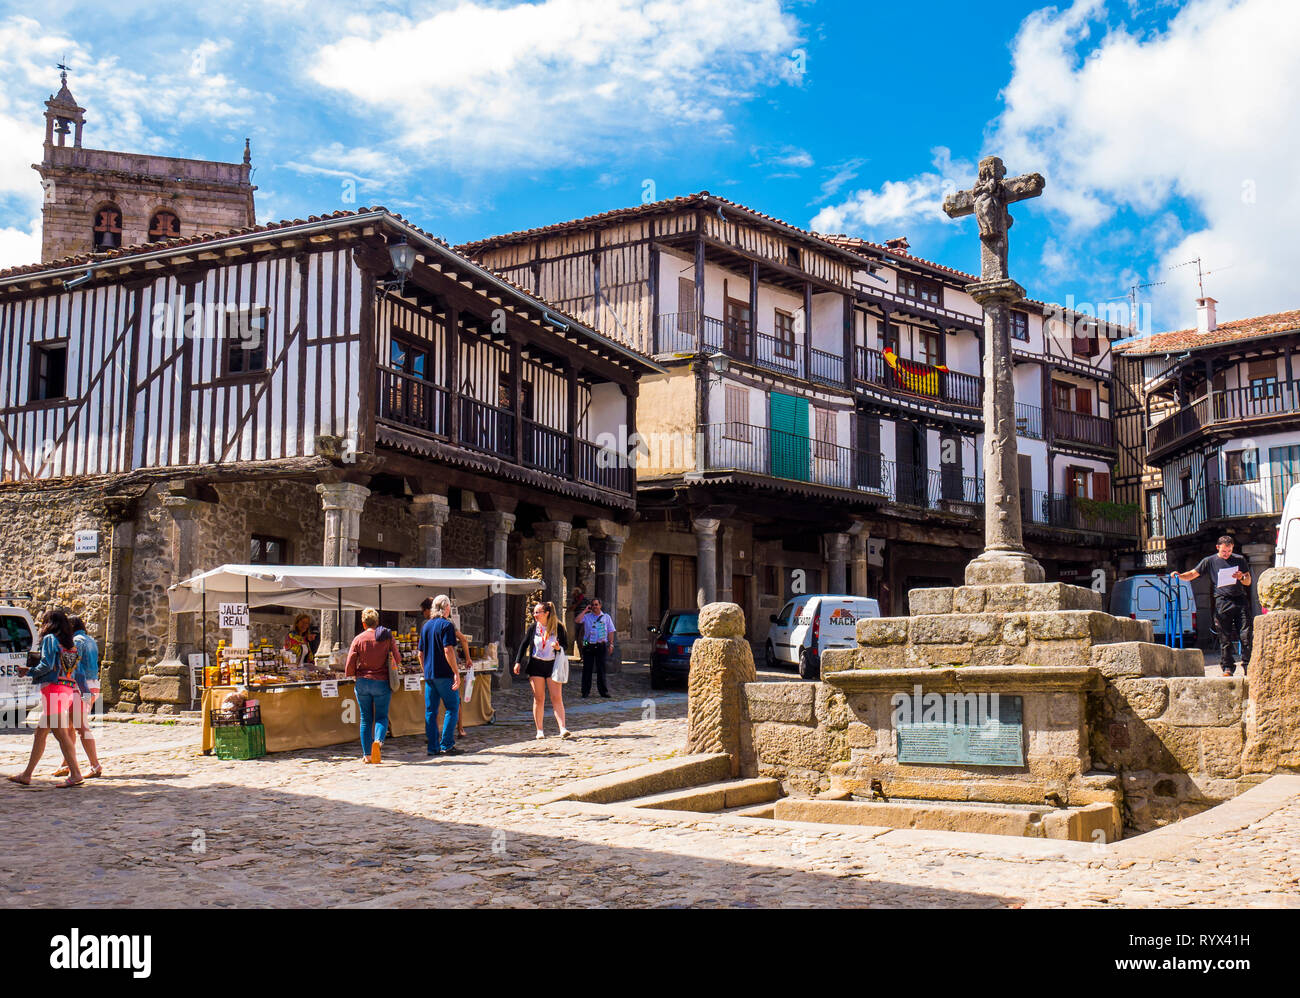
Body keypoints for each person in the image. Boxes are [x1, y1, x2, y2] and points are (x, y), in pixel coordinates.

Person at [6, 609, 86, 788]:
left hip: (53, 689)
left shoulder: (50, 640)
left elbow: (47, 665)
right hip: (66, 689)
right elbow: (73, 670)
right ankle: (26, 774)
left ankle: (75, 773)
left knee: (60, 733)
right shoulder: (70, 645)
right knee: (40, 733)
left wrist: (29, 671)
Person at [1173, 535, 1253, 676]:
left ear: (1232, 548)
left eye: (1229, 551)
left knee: (1245, 635)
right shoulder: (1209, 561)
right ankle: (1227, 667)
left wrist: (1241, 577)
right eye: (1224, 551)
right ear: (1218, 548)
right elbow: (1192, 574)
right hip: (1222, 601)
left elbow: (1248, 581)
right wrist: (1179, 576)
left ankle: (1249, 666)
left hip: (1240, 600)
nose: (1226, 554)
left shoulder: (1239, 560)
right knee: (1224, 636)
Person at [345, 607, 401, 764]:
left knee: (365, 719)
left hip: (363, 682)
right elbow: (397, 658)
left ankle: (367, 754)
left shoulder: (358, 639)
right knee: (381, 717)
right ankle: (378, 741)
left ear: (363, 623)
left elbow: (349, 663)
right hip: (381, 682)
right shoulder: (386, 637)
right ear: (377, 622)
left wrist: (352, 674)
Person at [52, 616, 103, 779]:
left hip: (80, 687)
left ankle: (95, 765)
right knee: (70, 727)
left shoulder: (76, 642)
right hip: (94, 683)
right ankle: (67, 763)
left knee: (80, 728)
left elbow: (74, 668)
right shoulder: (91, 640)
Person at [513, 601, 571, 740]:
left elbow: (565, 645)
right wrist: (517, 662)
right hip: (536, 665)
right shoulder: (533, 628)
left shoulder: (558, 628)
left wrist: (558, 648)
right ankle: (540, 730)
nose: (535, 614)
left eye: (538, 612)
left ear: (546, 613)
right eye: (534, 612)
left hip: (552, 665)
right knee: (539, 698)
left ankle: (562, 728)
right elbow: (524, 644)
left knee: (556, 697)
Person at [418, 595, 462, 756]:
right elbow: (448, 650)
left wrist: (426, 670)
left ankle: (432, 747)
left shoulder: (426, 626)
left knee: (431, 711)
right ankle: (447, 744)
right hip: (444, 673)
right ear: (446, 608)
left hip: (430, 675)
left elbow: (420, 653)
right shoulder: (447, 625)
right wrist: (456, 672)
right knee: (452, 707)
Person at [575, 597, 615, 699]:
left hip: (600, 645)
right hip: (588, 645)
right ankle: (585, 692)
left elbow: (611, 631)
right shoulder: (587, 616)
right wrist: (585, 610)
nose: (594, 607)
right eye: (592, 605)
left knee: (601, 670)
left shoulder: (606, 617)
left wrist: (611, 644)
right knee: (587, 669)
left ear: (600, 606)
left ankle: (603, 691)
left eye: (596, 605)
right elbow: (577, 620)